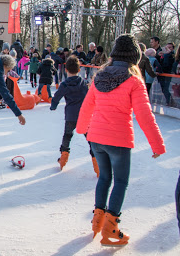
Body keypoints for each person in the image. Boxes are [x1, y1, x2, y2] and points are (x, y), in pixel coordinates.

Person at [76, 34, 166, 247]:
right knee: (121, 181)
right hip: (118, 140)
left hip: (96, 138)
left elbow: (87, 105)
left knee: (104, 178)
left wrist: (82, 129)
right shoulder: (134, 80)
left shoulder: (100, 76)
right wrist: (157, 145)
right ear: (135, 56)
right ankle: (110, 228)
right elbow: (144, 115)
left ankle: (97, 221)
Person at [50, 56, 97, 175]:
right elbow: (89, 96)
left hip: (71, 115)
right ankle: (97, 161)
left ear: (66, 70)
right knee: (90, 138)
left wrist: (53, 106)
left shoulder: (65, 84)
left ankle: (64, 157)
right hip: (84, 114)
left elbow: (57, 97)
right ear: (79, 69)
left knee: (67, 135)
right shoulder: (83, 82)